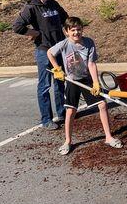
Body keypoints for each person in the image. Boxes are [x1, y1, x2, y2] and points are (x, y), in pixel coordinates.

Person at [47, 16, 122, 155]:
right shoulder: (64, 44)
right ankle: (68, 141)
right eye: (73, 30)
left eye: (79, 29)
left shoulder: (89, 43)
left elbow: (91, 64)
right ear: (66, 31)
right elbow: (49, 53)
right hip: (71, 80)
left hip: (86, 79)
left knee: (102, 105)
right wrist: (57, 69)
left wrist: (95, 82)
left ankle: (108, 137)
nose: (76, 33)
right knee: (70, 111)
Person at [13, 0, 68, 130]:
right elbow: (17, 27)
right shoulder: (31, 7)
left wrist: (71, 37)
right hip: (44, 51)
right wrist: (35, 33)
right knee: (44, 86)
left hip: (59, 49)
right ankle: (46, 120)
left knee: (60, 82)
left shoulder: (54, 4)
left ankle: (62, 113)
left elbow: (66, 21)